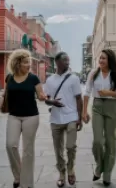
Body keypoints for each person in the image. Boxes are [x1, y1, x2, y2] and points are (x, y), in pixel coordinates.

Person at [0, 49, 46, 188]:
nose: (29, 65)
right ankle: (19, 175)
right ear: (17, 63)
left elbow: (41, 95)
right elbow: (4, 95)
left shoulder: (33, 78)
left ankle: (26, 183)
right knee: (11, 145)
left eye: (29, 62)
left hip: (31, 117)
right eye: (26, 62)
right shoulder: (9, 77)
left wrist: (44, 97)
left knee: (28, 150)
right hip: (14, 116)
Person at [82, 49, 116, 186]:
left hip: (112, 106)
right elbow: (87, 92)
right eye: (100, 58)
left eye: (104, 58)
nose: (101, 60)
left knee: (110, 142)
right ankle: (99, 166)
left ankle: (107, 173)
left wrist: (111, 93)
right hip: (97, 106)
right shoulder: (94, 73)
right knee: (97, 141)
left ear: (110, 60)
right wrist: (84, 111)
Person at [44, 52, 83, 187]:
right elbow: (46, 100)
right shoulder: (50, 80)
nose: (67, 62)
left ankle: (71, 168)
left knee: (70, 146)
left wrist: (80, 118)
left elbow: (79, 98)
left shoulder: (74, 78)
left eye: (68, 60)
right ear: (57, 62)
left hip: (71, 117)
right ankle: (62, 172)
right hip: (55, 119)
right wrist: (52, 102)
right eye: (65, 60)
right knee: (58, 149)